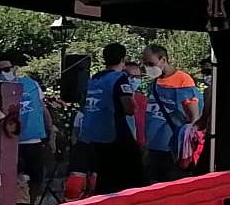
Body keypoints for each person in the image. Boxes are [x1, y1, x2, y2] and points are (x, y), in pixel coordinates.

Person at [75, 43, 140, 194]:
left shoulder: (94, 79)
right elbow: (129, 108)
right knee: (131, 179)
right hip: (115, 135)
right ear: (123, 59)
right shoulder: (120, 78)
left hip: (94, 136)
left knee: (103, 179)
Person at [140, 43, 202, 185]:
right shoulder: (155, 82)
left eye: (151, 63)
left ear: (163, 60)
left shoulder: (183, 81)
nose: (148, 68)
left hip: (172, 150)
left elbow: (194, 118)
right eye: (145, 64)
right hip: (152, 148)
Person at [0, 52, 49, 204]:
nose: (3, 74)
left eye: (6, 69)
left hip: (33, 140)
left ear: (15, 68)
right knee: (14, 179)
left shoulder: (32, 84)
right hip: (11, 142)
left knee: (36, 178)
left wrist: (50, 131)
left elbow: (42, 108)